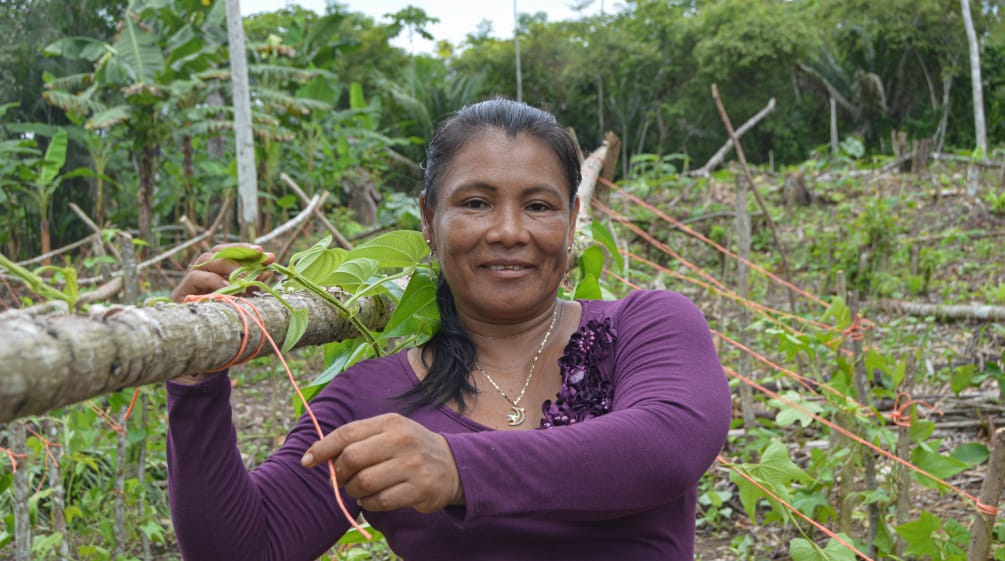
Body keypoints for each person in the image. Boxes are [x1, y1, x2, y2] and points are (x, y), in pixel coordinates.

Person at [166, 98, 731, 561]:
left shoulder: (646, 327)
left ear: (572, 222)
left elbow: (666, 448)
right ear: (429, 223)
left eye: (538, 206)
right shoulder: (370, 400)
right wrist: (196, 387)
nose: (509, 231)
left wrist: (457, 469)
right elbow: (245, 549)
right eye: (477, 203)